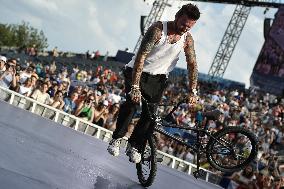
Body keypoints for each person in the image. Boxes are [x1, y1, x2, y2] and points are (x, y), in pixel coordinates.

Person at [107, 3, 200, 163]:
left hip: (158, 78)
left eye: (189, 27)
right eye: (184, 24)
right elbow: (141, 57)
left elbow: (192, 64)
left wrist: (193, 90)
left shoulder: (187, 40)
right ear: (177, 16)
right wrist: (135, 86)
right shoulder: (157, 30)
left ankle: (135, 146)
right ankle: (117, 139)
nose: (185, 29)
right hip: (137, 71)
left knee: (151, 115)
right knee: (132, 104)